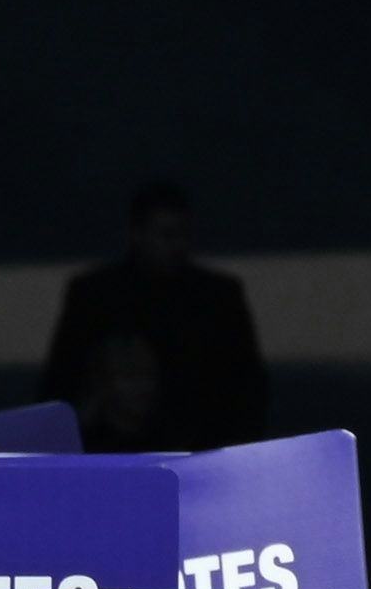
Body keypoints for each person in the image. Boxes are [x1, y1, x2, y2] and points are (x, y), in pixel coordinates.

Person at [37, 179, 270, 449]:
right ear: (136, 234)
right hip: (115, 450)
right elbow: (62, 379)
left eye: (183, 233)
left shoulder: (218, 297)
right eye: (166, 234)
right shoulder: (95, 296)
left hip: (199, 446)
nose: (177, 245)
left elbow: (247, 387)